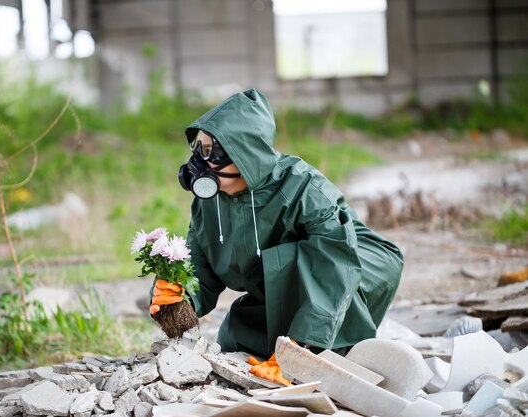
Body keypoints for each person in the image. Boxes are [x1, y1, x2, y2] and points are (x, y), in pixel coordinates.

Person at [150, 88, 403, 384]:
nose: (200, 164)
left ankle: (327, 344)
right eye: (198, 150)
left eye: (213, 153)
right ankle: (296, 340)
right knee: (236, 336)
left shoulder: (302, 188)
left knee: (292, 266)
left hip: (355, 262)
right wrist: (179, 293)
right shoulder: (210, 201)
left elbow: (333, 262)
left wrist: (299, 348)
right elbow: (201, 263)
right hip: (285, 279)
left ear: (246, 154)